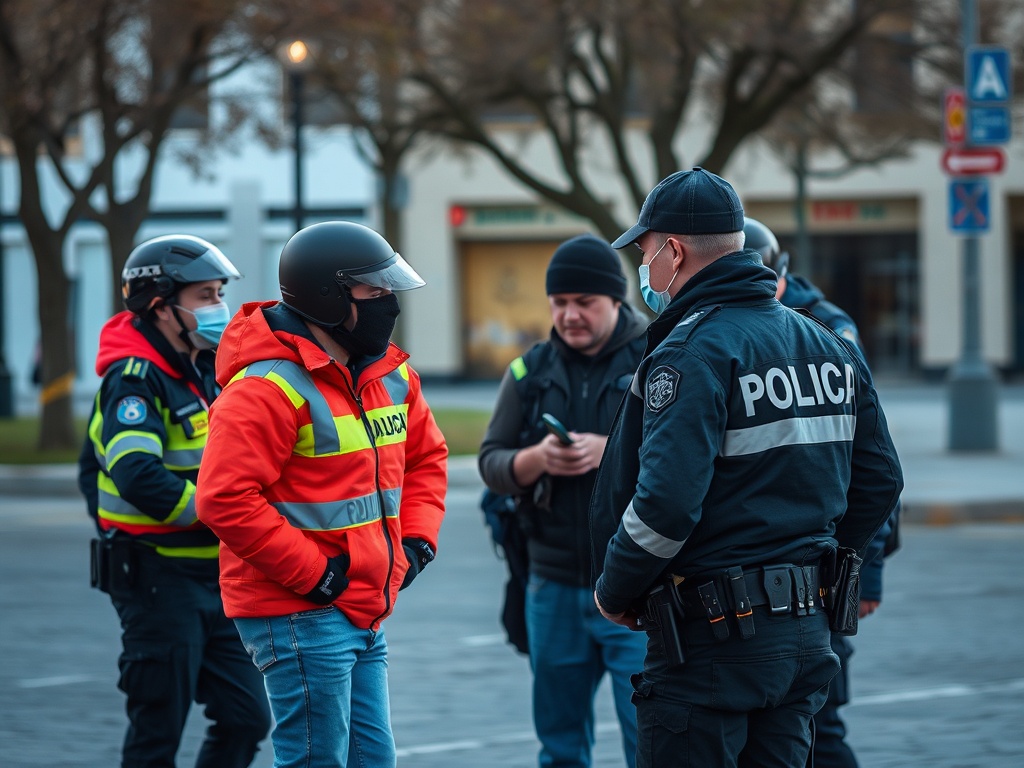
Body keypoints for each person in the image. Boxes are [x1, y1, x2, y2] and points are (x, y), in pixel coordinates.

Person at [589, 168, 904, 768]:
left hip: (707, 646)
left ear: (673, 251)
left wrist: (615, 588)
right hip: (805, 636)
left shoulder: (691, 351)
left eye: (646, 250)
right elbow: (881, 480)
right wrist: (827, 561)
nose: (644, 267)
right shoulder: (826, 344)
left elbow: (665, 506)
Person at [195, 221, 448, 768]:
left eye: (388, 289)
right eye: (373, 290)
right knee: (317, 761)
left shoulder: (391, 377)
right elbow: (224, 498)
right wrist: (318, 574)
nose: (389, 303)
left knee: (370, 760)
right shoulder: (266, 388)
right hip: (300, 606)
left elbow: (427, 459)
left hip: (362, 602)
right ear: (327, 297)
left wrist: (418, 541)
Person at [78, 234, 271, 768]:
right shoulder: (135, 380)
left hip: (217, 578)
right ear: (161, 307)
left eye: (219, 293)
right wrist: (226, 514)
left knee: (247, 719)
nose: (219, 307)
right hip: (159, 582)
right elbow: (135, 473)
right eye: (206, 296)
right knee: (157, 731)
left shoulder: (204, 367)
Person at [478, 234, 649, 768]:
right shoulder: (529, 372)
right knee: (559, 748)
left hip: (639, 592)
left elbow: (698, 463)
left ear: (616, 300)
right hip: (551, 587)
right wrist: (536, 460)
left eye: (585, 303)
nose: (570, 315)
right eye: (560, 303)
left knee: (652, 743)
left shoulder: (661, 356)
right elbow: (491, 463)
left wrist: (613, 452)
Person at [744, 217, 900, 768]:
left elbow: (872, 469)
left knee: (821, 729)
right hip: (768, 577)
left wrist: (865, 571)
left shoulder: (830, 334)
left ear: (780, 274)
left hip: (824, 563)